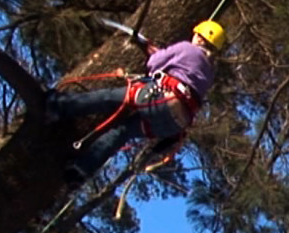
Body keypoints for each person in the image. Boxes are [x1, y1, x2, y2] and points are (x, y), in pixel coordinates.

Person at [47, 20, 226, 183]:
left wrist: (155, 54)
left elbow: (154, 64)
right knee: (122, 132)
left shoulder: (188, 48)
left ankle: (58, 105)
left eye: (196, 35)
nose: (193, 37)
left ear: (201, 39)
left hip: (162, 99)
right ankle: (80, 170)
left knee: (110, 97)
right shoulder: (209, 73)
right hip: (174, 125)